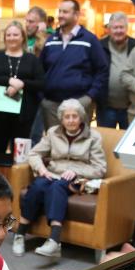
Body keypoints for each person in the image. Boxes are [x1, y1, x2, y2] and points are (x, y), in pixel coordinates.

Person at [13, 98, 107, 258]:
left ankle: (54, 240)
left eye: (74, 116)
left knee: (57, 188)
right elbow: (34, 154)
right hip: (52, 173)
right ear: (61, 118)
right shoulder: (53, 132)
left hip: (77, 180)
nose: (71, 120)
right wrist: (42, 169)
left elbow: (100, 168)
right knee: (37, 186)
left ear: (81, 117)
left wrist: (76, 171)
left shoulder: (93, 136)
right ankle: (20, 234)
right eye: (67, 117)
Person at [38, 0, 109, 140]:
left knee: (79, 146)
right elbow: (40, 69)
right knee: (54, 144)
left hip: (79, 103)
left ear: (76, 15)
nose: (61, 15)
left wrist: (89, 97)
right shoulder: (51, 40)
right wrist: (42, 98)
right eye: (60, 11)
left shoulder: (89, 40)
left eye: (65, 12)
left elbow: (102, 70)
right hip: (52, 104)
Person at [0, 20, 45, 165]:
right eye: (9, 35)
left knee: (21, 156)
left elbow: (41, 83)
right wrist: (8, 81)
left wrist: (22, 84)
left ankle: (19, 184)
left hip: (24, 115)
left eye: (16, 34)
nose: (12, 38)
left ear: (23, 37)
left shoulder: (31, 59)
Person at [97, 12, 135, 130]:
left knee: (128, 142)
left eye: (121, 27)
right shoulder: (100, 46)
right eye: (115, 27)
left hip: (130, 108)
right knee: (105, 142)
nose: (118, 31)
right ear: (109, 29)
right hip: (106, 107)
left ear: (127, 28)